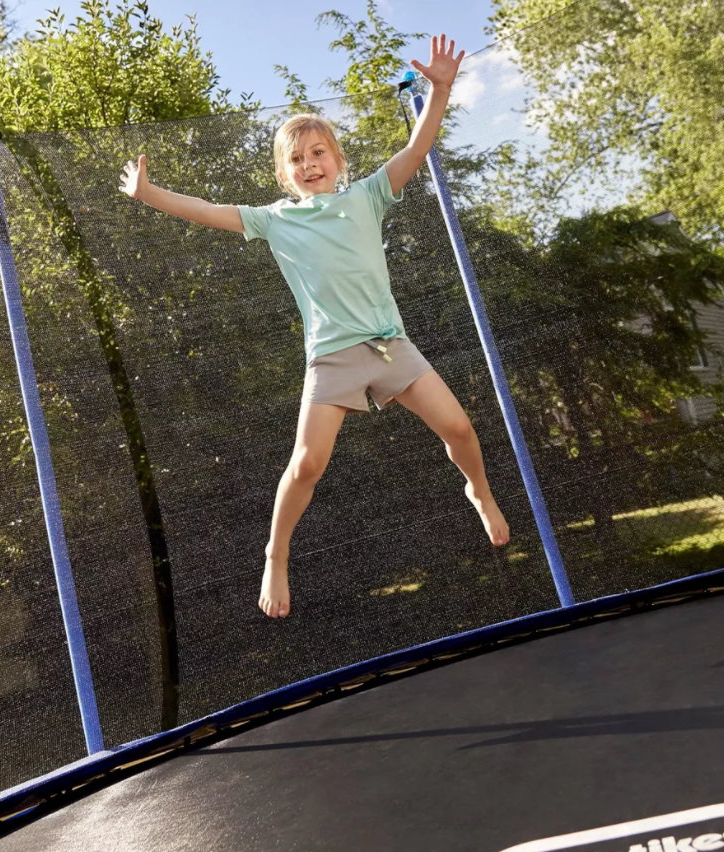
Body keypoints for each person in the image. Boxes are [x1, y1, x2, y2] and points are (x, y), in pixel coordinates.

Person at [120, 34, 509, 619]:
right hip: (331, 357)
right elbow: (206, 210)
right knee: (307, 464)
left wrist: (441, 89)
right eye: (297, 160)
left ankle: (478, 489)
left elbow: (417, 147)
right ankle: (277, 553)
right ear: (284, 174)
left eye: (318, 153)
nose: (309, 165)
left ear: (337, 158)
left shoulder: (370, 195)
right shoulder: (274, 220)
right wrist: (149, 194)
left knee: (459, 425)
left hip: (388, 345)